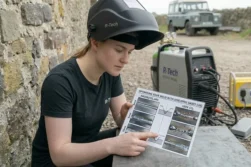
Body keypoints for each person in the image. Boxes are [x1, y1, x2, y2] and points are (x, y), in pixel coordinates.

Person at [31, 0, 164, 166]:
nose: (125, 60)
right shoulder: (60, 82)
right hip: (56, 162)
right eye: (119, 50)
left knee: (142, 145)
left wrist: (125, 117)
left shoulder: (110, 72)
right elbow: (60, 155)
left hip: (87, 147)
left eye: (129, 52)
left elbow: (119, 120)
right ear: (95, 42)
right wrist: (114, 145)